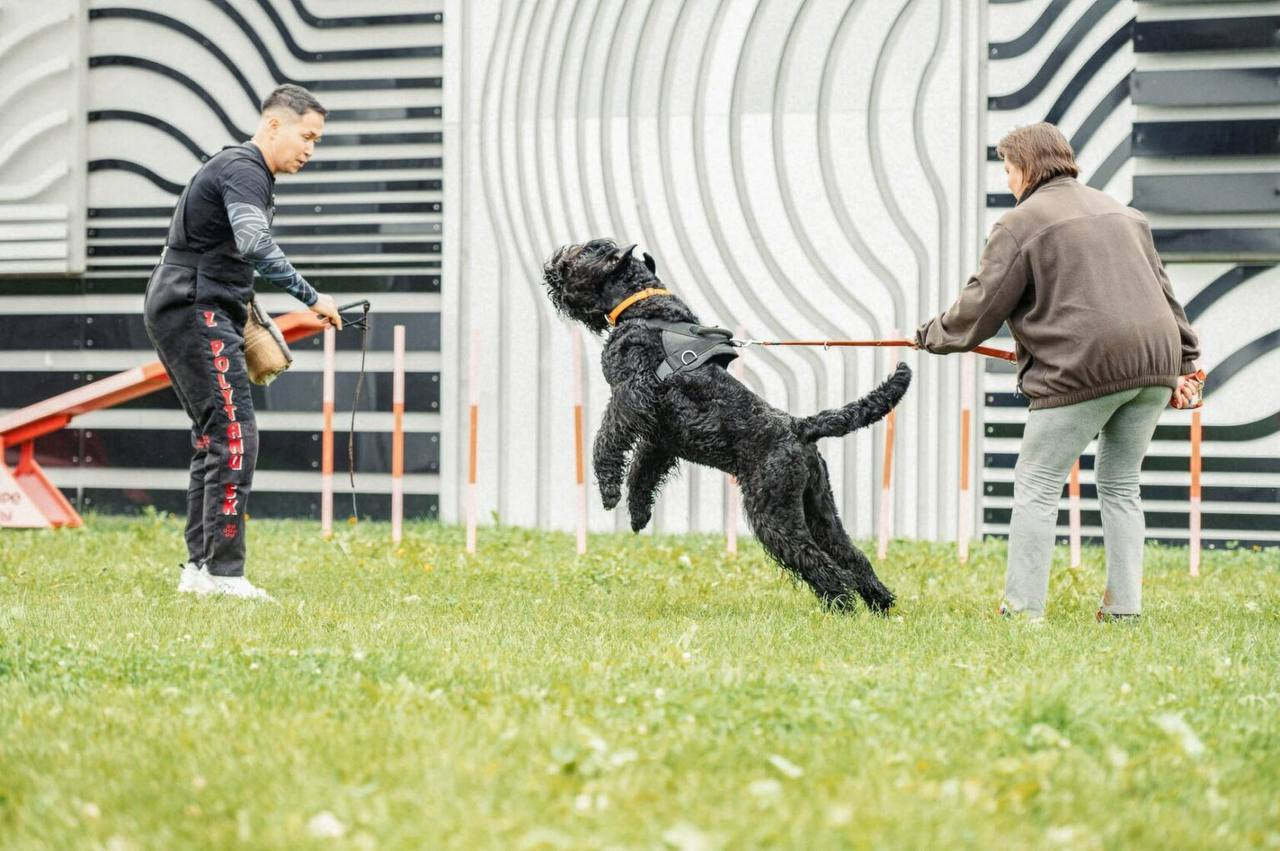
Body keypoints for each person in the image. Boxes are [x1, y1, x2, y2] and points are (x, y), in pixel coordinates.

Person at [914, 122, 1203, 622]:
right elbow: (1165, 293)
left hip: (1082, 366)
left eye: (1007, 169)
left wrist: (932, 335)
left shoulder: (1020, 223)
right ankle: (1124, 612)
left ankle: (1024, 612)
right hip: (1157, 364)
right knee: (1120, 484)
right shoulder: (1125, 213)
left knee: (1038, 483)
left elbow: (982, 305)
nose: (1007, 180)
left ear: (1025, 167)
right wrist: (1186, 363)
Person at [143, 84, 343, 600]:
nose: (310, 150)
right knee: (236, 435)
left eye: (317, 141)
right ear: (274, 124)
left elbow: (229, 251)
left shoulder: (244, 173)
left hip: (190, 301)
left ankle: (198, 571)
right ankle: (225, 574)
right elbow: (254, 242)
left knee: (215, 436)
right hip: (194, 304)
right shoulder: (245, 168)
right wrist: (310, 297)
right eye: (307, 136)